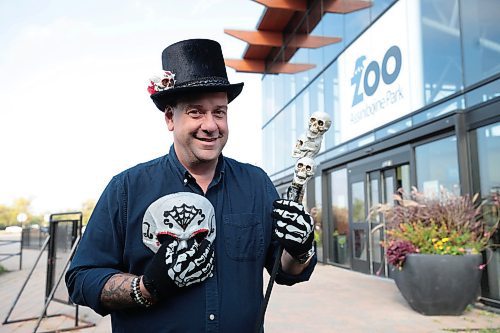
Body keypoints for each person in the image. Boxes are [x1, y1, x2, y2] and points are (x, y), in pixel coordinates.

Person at [65, 38, 316, 332]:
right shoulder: (127, 188)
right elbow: (81, 279)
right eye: (196, 112)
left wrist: (300, 250)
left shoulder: (256, 184)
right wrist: (147, 286)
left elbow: (285, 271)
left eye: (219, 112)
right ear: (170, 117)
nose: (211, 125)